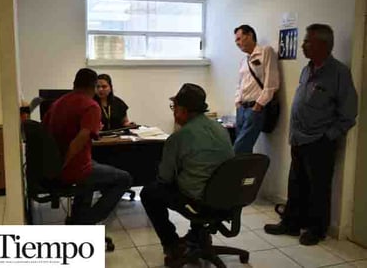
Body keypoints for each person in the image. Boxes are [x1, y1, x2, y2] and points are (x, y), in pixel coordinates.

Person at [264, 24, 358, 245]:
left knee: (318, 187)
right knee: (296, 183)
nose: (303, 45)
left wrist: (329, 136)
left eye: (308, 41)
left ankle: (317, 230)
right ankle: (291, 223)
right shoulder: (307, 69)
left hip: (320, 141)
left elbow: (349, 112)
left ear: (324, 45)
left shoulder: (339, 73)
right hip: (299, 137)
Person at [140, 83, 234, 266]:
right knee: (198, 181)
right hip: (230, 197)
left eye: (174, 108)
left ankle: (173, 244)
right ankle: (196, 236)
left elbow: (164, 178)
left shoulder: (178, 138)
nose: (173, 112)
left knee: (149, 193)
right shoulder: (221, 129)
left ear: (182, 110)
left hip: (201, 202)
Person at [43, 68, 132, 224]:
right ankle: (86, 221)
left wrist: (56, 164)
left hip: (51, 165)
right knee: (124, 179)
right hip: (73, 167)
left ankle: (77, 218)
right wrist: (64, 165)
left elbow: (44, 131)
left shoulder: (57, 103)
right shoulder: (90, 106)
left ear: (74, 84)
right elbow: (80, 140)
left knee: (94, 172)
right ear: (93, 86)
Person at [233, 24, 280, 154]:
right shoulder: (244, 61)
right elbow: (239, 84)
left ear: (250, 35)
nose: (237, 43)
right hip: (242, 108)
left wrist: (258, 105)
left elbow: (272, 83)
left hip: (255, 108)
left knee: (239, 148)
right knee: (244, 149)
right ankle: (244, 174)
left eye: (239, 38)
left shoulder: (266, 52)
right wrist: (237, 102)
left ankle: (235, 172)